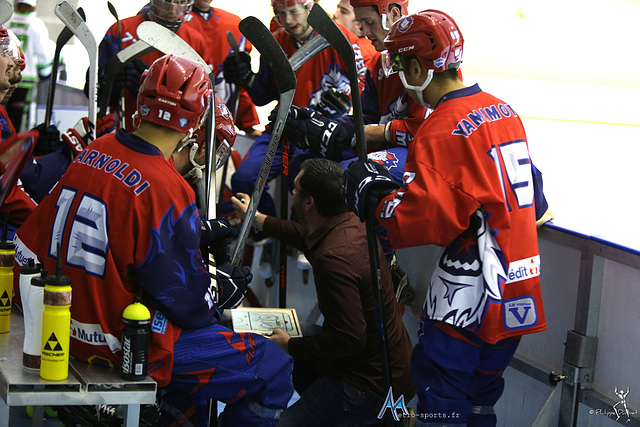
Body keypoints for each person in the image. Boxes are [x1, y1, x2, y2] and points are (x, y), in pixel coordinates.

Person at [14, 54, 293, 427]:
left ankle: (164, 415)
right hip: (118, 342)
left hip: (59, 322)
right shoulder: (168, 188)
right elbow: (189, 306)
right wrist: (215, 288)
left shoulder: (98, 148)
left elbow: (35, 238)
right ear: (195, 123)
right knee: (272, 366)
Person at [344, 10, 546, 426]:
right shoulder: (502, 110)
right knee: (481, 400)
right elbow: (538, 201)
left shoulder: (440, 128)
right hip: (518, 291)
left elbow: (422, 220)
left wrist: (374, 197)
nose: (400, 77)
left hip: (469, 298)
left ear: (417, 66)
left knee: (441, 401)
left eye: (401, 66)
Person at [232, 158, 415, 426]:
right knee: (297, 332)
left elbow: (350, 339)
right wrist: (257, 218)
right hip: (391, 362)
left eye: (295, 188)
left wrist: (290, 345)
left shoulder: (334, 259)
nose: (292, 192)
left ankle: (381, 418)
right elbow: (305, 238)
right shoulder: (352, 222)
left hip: (370, 383)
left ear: (309, 202)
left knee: (283, 423)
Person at [279, 0, 421, 303]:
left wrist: (381, 132)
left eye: (368, 23)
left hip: (418, 153)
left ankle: (387, 268)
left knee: (351, 176)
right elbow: (364, 117)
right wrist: (323, 127)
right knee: (315, 171)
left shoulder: (420, 57)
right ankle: (336, 257)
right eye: (360, 23)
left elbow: (429, 128)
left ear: (393, 14)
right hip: (390, 148)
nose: (363, 31)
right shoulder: (381, 63)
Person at [223, 0, 372, 224]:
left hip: (320, 134)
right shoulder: (276, 41)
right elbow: (263, 95)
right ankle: (266, 228)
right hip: (283, 126)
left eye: (294, 12)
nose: (289, 20)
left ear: (310, 8)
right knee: (244, 179)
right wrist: (246, 77)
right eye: (281, 14)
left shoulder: (338, 38)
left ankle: (298, 238)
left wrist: (344, 100)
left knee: (305, 196)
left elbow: (363, 85)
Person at [96, 0, 208, 132]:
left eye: (180, 2)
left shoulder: (195, 41)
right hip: (125, 129)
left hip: (173, 137)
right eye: (166, 1)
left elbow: (202, 102)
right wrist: (111, 81)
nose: (172, 9)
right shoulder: (121, 29)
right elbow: (94, 92)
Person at [184, 0, 262, 138]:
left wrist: (248, 124)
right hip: (179, 121)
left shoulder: (233, 24)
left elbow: (234, 84)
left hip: (218, 124)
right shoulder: (169, 19)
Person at [7, 0, 53, 131]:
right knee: (18, 116)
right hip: (24, 78)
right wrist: (44, 73)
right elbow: (43, 55)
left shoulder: (5, 20)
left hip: (3, 75)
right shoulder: (37, 25)